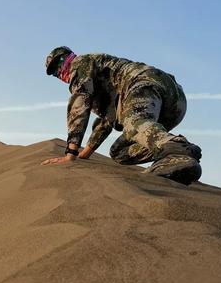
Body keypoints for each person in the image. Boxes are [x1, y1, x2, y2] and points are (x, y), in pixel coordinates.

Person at [40, 46, 202, 185]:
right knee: (119, 152)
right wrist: (85, 153)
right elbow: (105, 122)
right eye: (55, 73)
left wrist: (71, 153)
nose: (60, 72)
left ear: (69, 57)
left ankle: (176, 148)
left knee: (133, 123)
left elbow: (79, 103)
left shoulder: (81, 63)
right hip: (172, 105)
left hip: (146, 83)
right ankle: (176, 160)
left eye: (59, 64)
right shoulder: (99, 86)